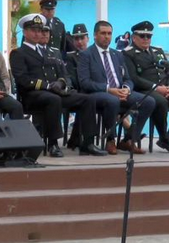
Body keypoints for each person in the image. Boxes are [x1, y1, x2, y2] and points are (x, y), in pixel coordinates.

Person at [9, 14, 101, 157]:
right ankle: (53, 143)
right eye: (33, 30)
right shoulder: (18, 53)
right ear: (25, 32)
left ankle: (87, 143)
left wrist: (60, 82)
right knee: (53, 100)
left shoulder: (49, 52)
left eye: (40, 30)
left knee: (88, 99)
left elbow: (63, 73)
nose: (37, 33)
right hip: (33, 95)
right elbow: (23, 79)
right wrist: (47, 85)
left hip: (55, 92)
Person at [78, 20, 154, 155]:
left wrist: (126, 88)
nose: (106, 36)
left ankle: (129, 139)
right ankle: (110, 140)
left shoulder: (117, 54)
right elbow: (84, 82)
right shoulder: (86, 55)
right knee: (112, 100)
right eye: (103, 33)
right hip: (98, 93)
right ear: (95, 35)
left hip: (120, 91)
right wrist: (108, 89)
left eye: (109, 33)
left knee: (148, 101)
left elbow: (128, 78)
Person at [122, 20, 169, 153]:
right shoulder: (128, 53)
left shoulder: (158, 51)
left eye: (148, 36)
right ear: (134, 37)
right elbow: (133, 78)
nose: (146, 39)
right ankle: (164, 138)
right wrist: (156, 88)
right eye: (142, 36)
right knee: (159, 101)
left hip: (165, 89)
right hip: (145, 90)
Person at [65, 23, 89, 88]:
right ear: (73, 41)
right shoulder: (70, 57)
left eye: (82, 38)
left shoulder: (94, 55)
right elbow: (73, 80)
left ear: (88, 39)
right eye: (76, 39)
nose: (79, 42)